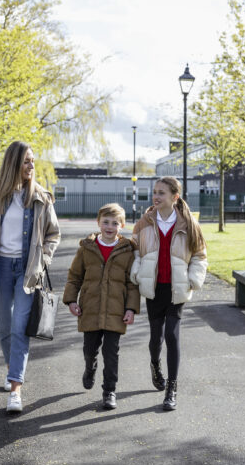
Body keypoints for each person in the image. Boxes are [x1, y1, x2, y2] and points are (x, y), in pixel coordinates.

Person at [0, 141, 60, 414]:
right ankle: (13, 368)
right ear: (13, 163)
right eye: (26, 161)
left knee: (20, 328)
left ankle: (15, 389)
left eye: (33, 160)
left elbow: (52, 234)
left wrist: (42, 260)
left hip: (27, 271)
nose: (31, 165)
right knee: (4, 326)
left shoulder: (41, 197)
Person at [131, 176, 207, 411]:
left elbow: (200, 255)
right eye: (155, 192)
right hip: (154, 289)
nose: (156, 196)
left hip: (177, 289)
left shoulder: (188, 224)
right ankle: (155, 364)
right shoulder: (144, 222)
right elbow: (134, 251)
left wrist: (193, 280)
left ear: (174, 197)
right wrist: (136, 272)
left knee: (172, 336)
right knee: (156, 338)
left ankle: (171, 389)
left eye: (161, 192)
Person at [63, 203, 139, 410]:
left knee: (111, 352)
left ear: (122, 226)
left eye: (115, 223)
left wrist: (131, 308)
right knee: (90, 349)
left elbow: (132, 284)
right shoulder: (87, 249)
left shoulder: (127, 251)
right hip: (91, 309)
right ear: (98, 223)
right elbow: (74, 277)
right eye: (106, 222)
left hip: (116, 311)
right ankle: (90, 367)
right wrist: (71, 301)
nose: (110, 226)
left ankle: (109, 391)